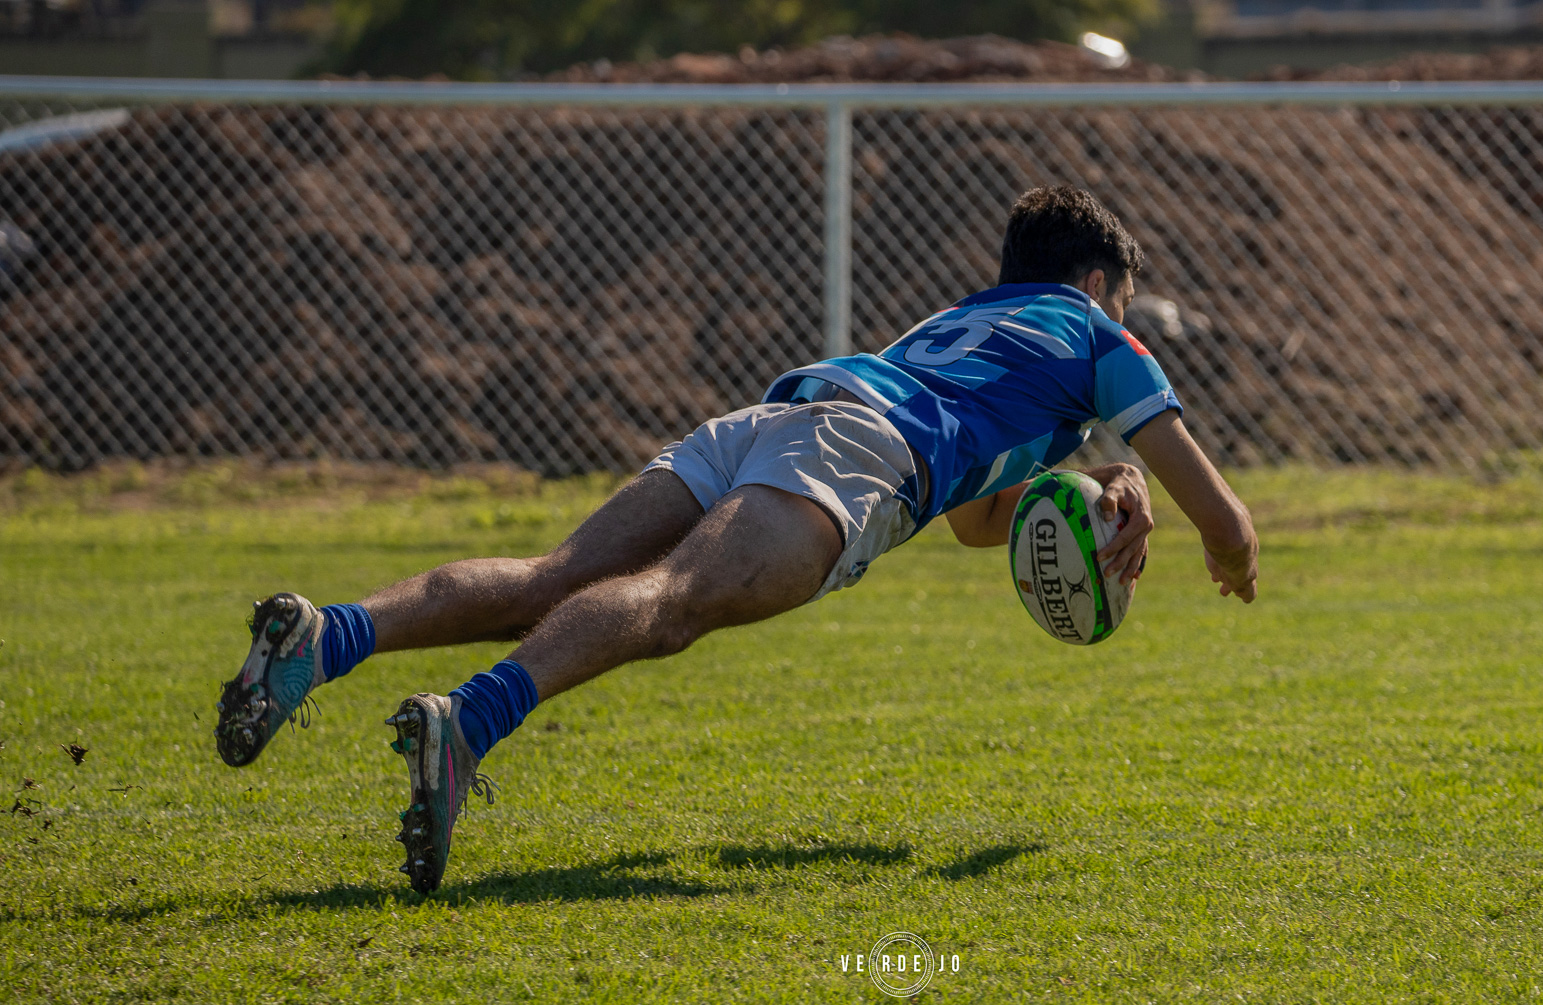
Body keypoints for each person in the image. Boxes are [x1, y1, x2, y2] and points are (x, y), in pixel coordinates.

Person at [213, 185, 1259, 893]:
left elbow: (982, 520)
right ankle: (468, 726)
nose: (1126, 324)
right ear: (1093, 286)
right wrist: (1226, 550)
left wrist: (1087, 479)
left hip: (780, 418)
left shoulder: (959, 323)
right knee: (671, 605)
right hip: (860, 457)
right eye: (1121, 304)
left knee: (559, 575)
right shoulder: (1093, 332)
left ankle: (329, 636)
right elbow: (1229, 519)